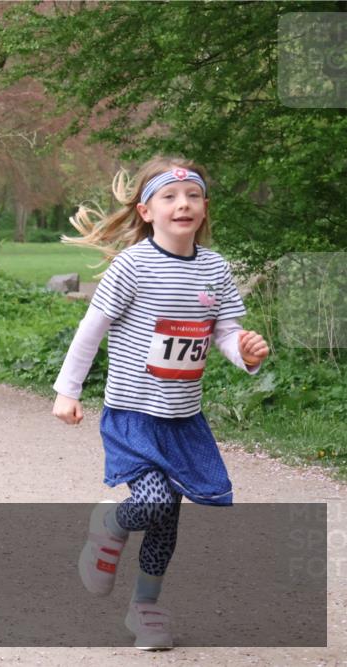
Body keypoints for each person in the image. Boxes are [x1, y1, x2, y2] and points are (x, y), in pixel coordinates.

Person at [51, 157, 270, 651]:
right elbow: (92, 330)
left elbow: (226, 333)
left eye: (192, 195)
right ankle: (107, 524)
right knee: (153, 501)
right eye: (169, 197)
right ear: (147, 210)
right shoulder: (134, 265)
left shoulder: (214, 268)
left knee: (169, 516)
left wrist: (246, 353)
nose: (183, 204)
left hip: (182, 418)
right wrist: (68, 390)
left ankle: (145, 610)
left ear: (205, 207)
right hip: (133, 413)